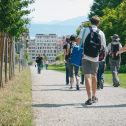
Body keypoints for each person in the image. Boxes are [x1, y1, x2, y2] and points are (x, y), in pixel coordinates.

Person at [77, 16, 106, 105]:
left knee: (87, 77)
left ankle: (89, 99)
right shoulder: (101, 32)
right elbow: (102, 47)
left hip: (85, 57)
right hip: (95, 58)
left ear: (90, 22)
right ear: (98, 23)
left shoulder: (84, 30)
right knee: (94, 76)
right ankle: (94, 96)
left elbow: (78, 42)